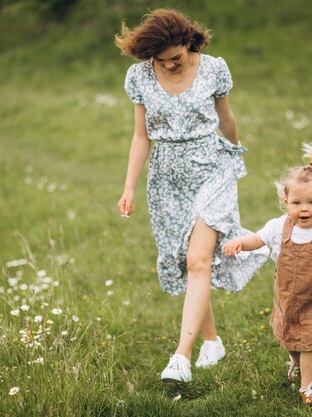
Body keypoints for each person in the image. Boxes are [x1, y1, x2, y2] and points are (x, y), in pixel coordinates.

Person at [115, 8, 269, 383]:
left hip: (211, 167)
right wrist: (129, 187)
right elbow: (141, 135)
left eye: (175, 59)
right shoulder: (139, 77)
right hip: (166, 177)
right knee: (190, 262)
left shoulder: (214, 68)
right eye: (160, 61)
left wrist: (235, 155)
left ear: (188, 42)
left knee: (199, 259)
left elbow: (226, 117)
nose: (168, 65)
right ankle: (212, 341)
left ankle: (180, 359)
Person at [222, 144, 312, 405]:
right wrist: (240, 242)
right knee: (291, 340)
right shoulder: (278, 226)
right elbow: (257, 240)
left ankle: (308, 385)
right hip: (287, 298)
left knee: (310, 343)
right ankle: (295, 363)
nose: (304, 209)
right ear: (286, 202)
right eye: (297, 203)